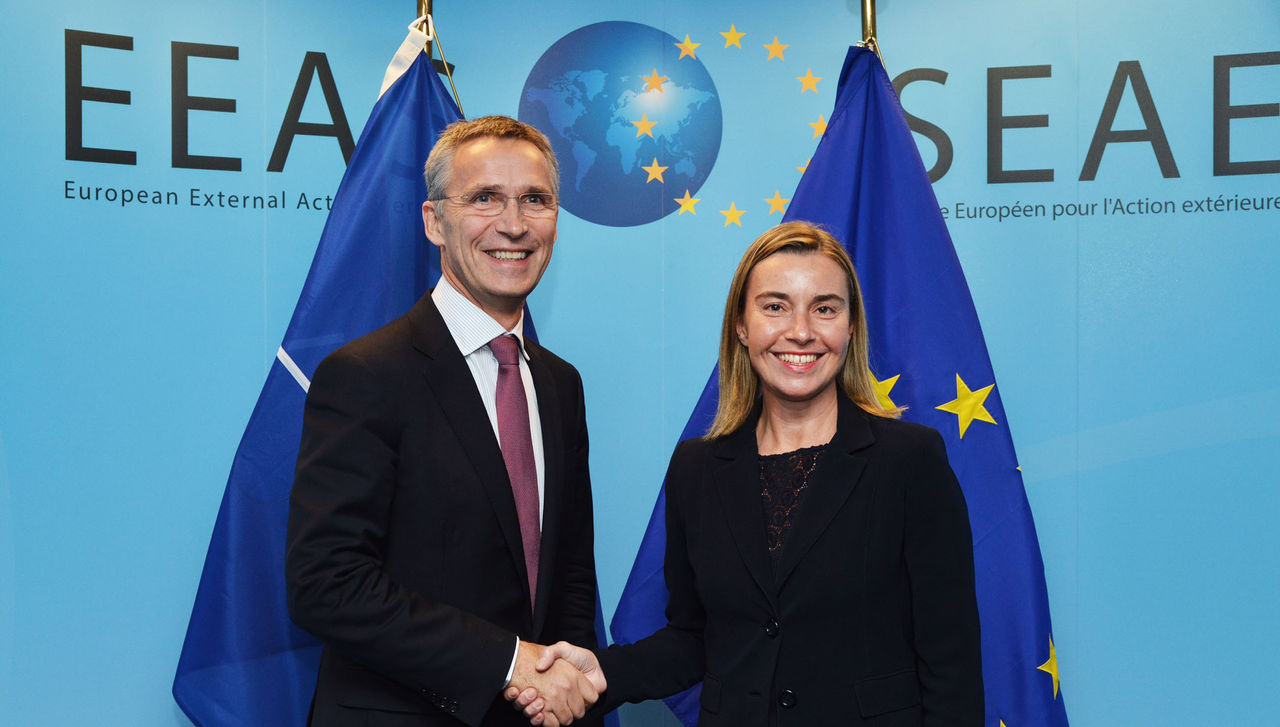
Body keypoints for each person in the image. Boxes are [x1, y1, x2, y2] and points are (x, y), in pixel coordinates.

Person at [512, 221, 983, 726]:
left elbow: (950, 662)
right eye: (775, 306)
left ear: (850, 327)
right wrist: (600, 672)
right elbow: (696, 637)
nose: (800, 331)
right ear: (742, 325)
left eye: (824, 308)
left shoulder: (909, 460)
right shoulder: (697, 468)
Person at [287, 115, 603, 727]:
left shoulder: (561, 384)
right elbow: (326, 584)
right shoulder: (366, 375)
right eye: (485, 198)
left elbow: (568, 571)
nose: (513, 224)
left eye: (535, 200)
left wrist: (566, 675)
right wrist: (509, 662)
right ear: (435, 220)